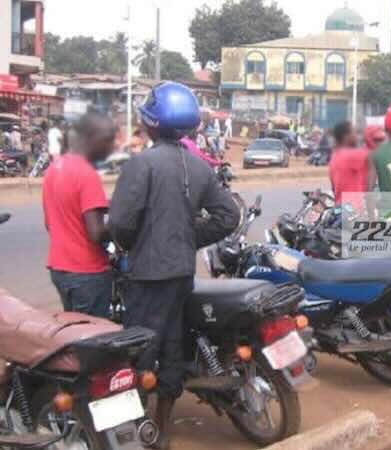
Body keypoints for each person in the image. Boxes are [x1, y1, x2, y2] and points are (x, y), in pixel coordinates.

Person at [109, 82, 239, 450]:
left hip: (148, 274)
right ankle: (161, 428)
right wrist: (186, 237)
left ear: (152, 124)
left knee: (139, 350)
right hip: (182, 272)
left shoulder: (141, 164)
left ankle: (135, 432)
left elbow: (120, 222)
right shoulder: (198, 166)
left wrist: (137, 243)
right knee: (171, 347)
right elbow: (228, 215)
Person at [43, 112, 117, 318]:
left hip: (60, 268)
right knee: (90, 340)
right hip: (87, 272)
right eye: (108, 141)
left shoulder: (55, 168)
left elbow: (50, 223)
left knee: (74, 333)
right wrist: (120, 227)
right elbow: (96, 233)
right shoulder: (87, 174)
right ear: (92, 139)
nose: (111, 148)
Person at [329, 121, 370, 207]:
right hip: (353, 208)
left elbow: (333, 187)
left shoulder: (335, 155)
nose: (357, 136)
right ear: (346, 136)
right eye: (354, 132)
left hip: (340, 205)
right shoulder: (352, 155)